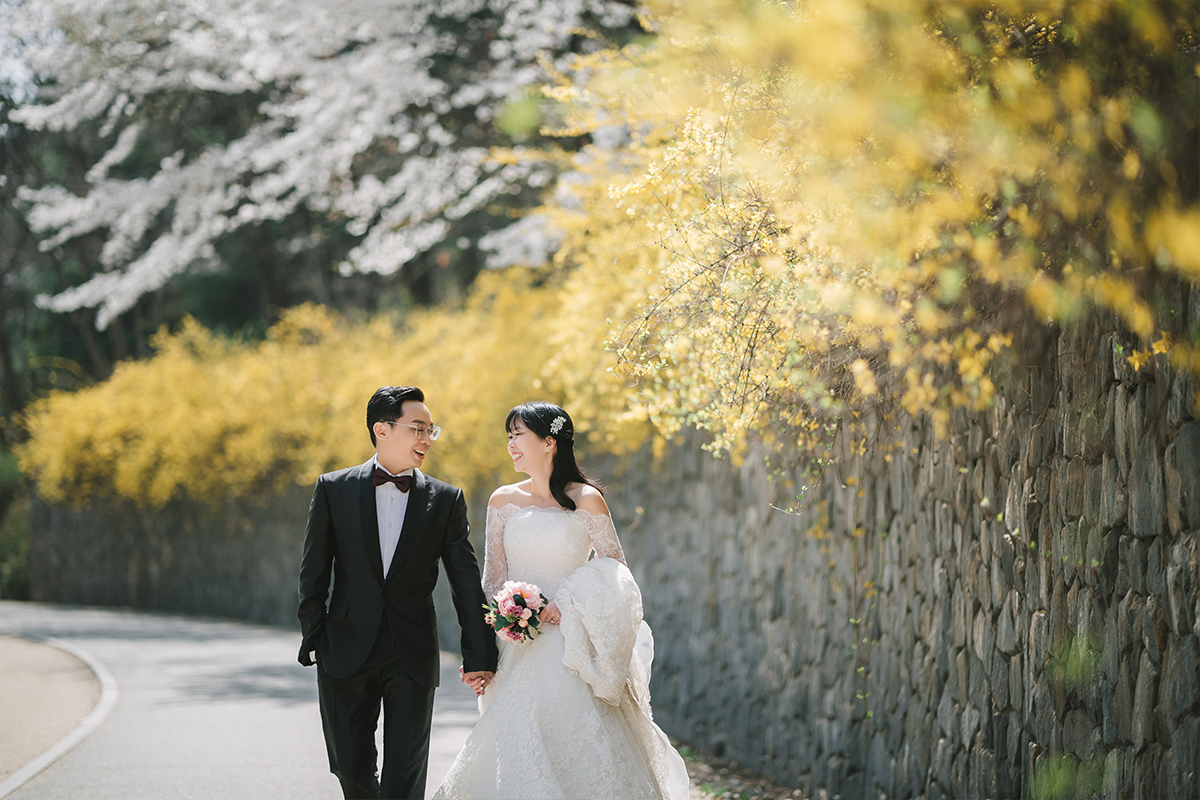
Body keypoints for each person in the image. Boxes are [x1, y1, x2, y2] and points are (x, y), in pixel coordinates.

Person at [433, 401, 690, 800]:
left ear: (549, 441)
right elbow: (491, 582)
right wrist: (485, 644)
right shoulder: (502, 501)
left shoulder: (587, 499)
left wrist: (565, 600)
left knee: (579, 745)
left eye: (518, 435)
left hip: (572, 645)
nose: (511, 445)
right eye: (509, 437)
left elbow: (616, 573)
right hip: (514, 648)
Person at [297, 385, 499, 800]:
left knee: (405, 773)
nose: (427, 438)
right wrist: (314, 635)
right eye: (418, 428)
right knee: (349, 766)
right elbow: (314, 570)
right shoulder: (333, 489)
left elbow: (464, 578)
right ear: (382, 430)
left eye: (431, 429)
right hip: (344, 646)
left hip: (412, 650)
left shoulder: (445, 499)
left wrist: (478, 652)